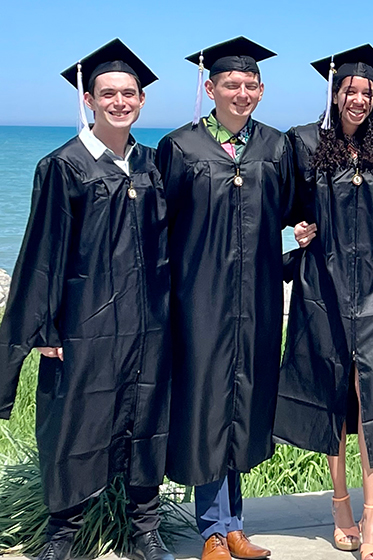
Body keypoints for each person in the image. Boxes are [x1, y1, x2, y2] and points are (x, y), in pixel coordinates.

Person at [0, 39, 174, 560]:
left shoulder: (152, 163)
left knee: (145, 420)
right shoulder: (64, 166)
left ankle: (144, 529)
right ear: (89, 100)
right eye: (108, 94)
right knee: (75, 423)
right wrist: (46, 327)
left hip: (148, 323)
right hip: (86, 322)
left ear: (141, 100)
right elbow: (41, 253)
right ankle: (64, 535)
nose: (119, 102)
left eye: (129, 93)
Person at [155, 36, 295, 560]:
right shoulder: (181, 147)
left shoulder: (276, 147)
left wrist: (297, 246)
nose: (240, 92)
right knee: (207, 404)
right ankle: (214, 529)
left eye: (249, 84)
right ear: (210, 88)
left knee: (243, 400)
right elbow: (160, 228)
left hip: (257, 298)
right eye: (229, 84)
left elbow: (290, 211)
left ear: (261, 90)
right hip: (200, 299)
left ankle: (234, 524)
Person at [274, 44, 373, 560]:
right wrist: (295, 236)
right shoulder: (301, 143)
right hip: (321, 287)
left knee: (371, 392)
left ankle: (372, 517)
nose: (359, 99)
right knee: (331, 391)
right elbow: (277, 210)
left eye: (367, 92)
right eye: (350, 90)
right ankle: (341, 503)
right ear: (334, 91)